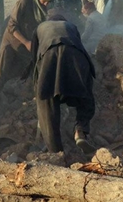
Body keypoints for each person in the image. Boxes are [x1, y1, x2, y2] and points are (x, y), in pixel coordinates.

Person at [28, 16, 96, 153]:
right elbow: (79, 45)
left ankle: (55, 150)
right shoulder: (71, 26)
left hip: (49, 55)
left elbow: (34, 57)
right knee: (85, 94)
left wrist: (36, 87)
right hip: (76, 55)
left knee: (46, 101)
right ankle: (80, 131)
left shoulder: (40, 28)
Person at [0, 0, 56, 93]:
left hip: (27, 48)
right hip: (12, 43)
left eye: (49, 1)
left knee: (23, 74)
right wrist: (26, 42)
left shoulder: (45, 9)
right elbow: (12, 26)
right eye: (44, 0)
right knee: (1, 74)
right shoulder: (24, 3)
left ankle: (16, 102)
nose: (46, 4)